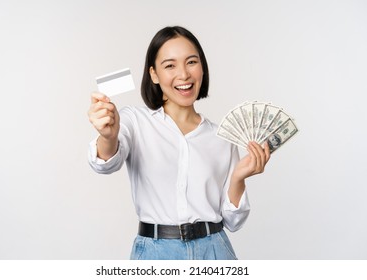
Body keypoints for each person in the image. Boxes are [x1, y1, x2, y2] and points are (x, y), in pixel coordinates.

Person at [87, 26, 270, 260]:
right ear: (154, 74)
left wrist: (238, 178)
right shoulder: (135, 121)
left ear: (202, 67)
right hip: (155, 254)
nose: (183, 75)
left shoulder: (222, 137)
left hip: (214, 251)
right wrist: (108, 136)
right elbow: (105, 164)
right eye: (170, 65)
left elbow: (234, 222)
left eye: (191, 62)